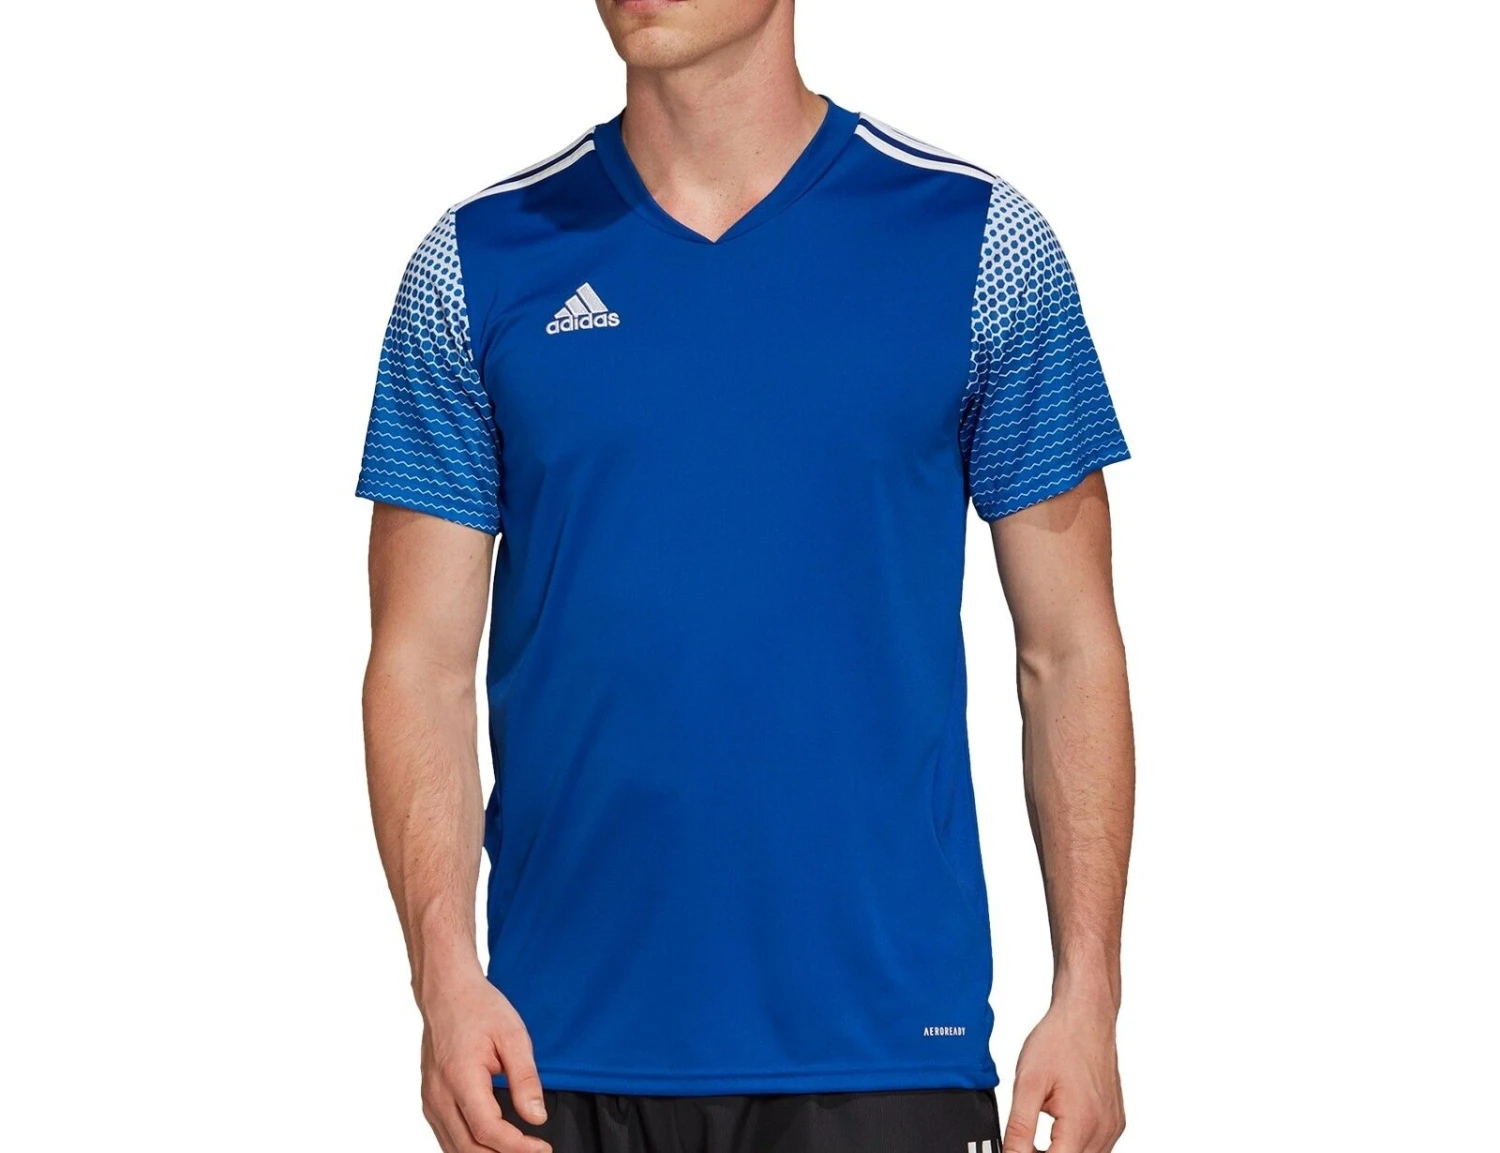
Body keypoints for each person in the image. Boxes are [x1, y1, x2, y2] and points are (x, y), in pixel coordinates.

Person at [355, 2, 1135, 1151]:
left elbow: (1069, 650)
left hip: (882, 1052)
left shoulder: (979, 246)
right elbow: (418, 663)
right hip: (553, 1055)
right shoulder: (474, 265)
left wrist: (1090, 997)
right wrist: (443, 976)